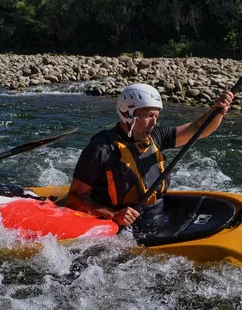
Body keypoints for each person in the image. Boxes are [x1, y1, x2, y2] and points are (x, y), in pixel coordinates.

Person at [65, 83, 233, 227]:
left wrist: (218, 110)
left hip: (158, 217)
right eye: (147, 116)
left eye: (156, 116)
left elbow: (198, 129)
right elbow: (74, 197)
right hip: (122, 226)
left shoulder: (157, 136)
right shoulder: (101, 148)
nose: (154, 122)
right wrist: (112, 215)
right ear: (126, 114)